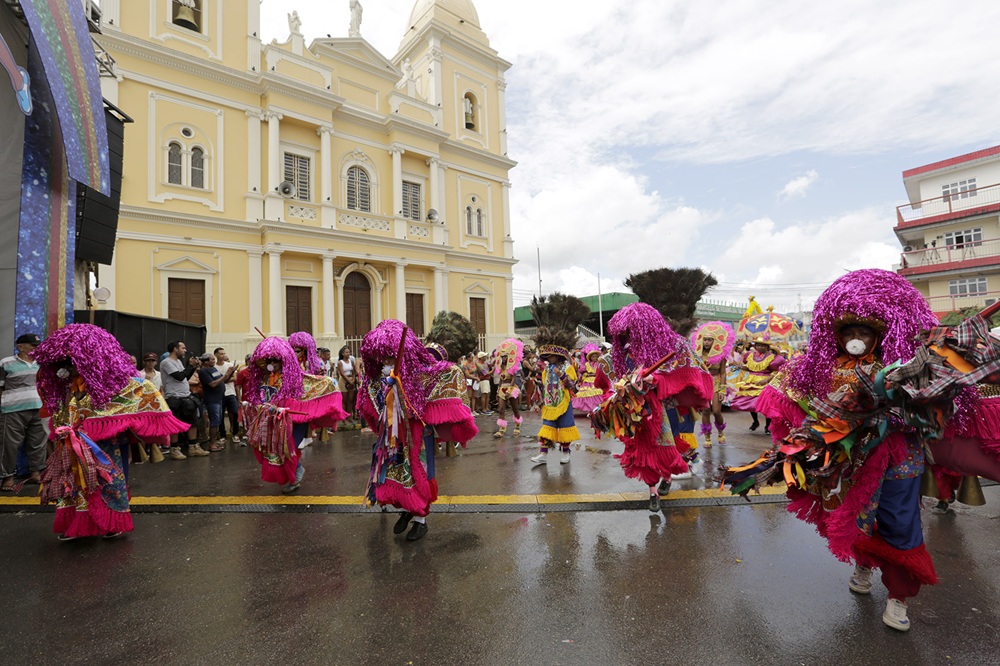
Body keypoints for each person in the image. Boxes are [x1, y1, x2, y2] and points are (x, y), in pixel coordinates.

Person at [725, 269, 947, 632]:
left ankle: (898, 596)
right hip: (845, 459)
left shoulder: (906, 369)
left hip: (898, 457)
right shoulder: (820, 368)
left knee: (900, 520)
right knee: (857, 515)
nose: (856, 339)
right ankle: (864, 563)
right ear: (838, 336)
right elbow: (788, 398)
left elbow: (933, 410)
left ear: (879, 336)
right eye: (850, 332)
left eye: (865, 332)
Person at [33, 324, 188, 540]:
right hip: (72, 447)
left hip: (103, 447)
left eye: (74, 360)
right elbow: (59, 413)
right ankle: (79, 524)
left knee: (108, 482)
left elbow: (144, 393)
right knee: (75, 485)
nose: (69, 366)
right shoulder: (66, 387)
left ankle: (111, 523)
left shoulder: (117, 385)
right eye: (66, 361)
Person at [358, 320, 477, 541]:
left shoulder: (419, 377)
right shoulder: (383, 380)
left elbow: (451, 373)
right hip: (392, 437)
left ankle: (421, 520)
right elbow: (375, 401)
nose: (385, 362)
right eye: (382, 358)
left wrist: (402, 388)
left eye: (389, 357)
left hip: (417, 435)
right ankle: (405, 509)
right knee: (395, 472)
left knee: (418, 472)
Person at [592, 303, 713, 511]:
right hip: (636, 412)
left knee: (667, 446)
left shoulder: (673, 346)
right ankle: (653, 492)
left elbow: (690, 371)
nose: (629, 336)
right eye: (625, 332)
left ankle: (666, 477)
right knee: (642, 452)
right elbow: (611, 379)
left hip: (665, 409)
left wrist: (654, 379)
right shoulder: (620, 356)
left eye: (633, 330)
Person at [242, 337, 346, 493]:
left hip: (295, 420)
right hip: (274, 421)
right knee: (273, 451)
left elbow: (319, 384)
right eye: (269, 360)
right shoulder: (265, 379)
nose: (272, 364)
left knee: (287, 448)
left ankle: (294, 476)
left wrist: (331, 383)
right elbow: (262, 397)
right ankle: (294, 472)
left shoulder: (295, 377)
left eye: (276, 360)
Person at [0, 333, 46, 490]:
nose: (36, 348)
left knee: (38, 443)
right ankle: (7, 477)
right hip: (12, 409)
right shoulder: (6, 363)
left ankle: (36, 473)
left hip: (39, 407)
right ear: (20, 346)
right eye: (33, 346)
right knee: (9, 444)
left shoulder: (42, 363)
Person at [530, 344, 579, 466]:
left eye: (551, 355)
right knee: (547, 428)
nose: (549, 358)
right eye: (548, 356)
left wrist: (561, 375)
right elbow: (544, 385)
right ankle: (543, 454)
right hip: (549, 404)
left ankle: (565, 452)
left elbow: (574, 387)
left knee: (565, 428)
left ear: (558, 355)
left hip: (563, 402)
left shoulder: (568, 367)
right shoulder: (546, 369)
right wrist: (540, 399)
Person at [690, 321, 736, 447]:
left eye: (710, 340)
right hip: (703, 382)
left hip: (716, 381)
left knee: (716, 411)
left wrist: (722, 389)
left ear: (715, 341)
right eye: (705, 339)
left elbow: (723, 372)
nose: (707, 342)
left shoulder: (721, 355)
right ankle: (707, 436)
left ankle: (720, 432)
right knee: (705, 411)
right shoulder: (697, 354)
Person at [160, 341, 208, 459]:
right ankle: (174, 449)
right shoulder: (166, 362)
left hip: (186, 396)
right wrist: (190, 365)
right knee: (176, 424)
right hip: (174, 397)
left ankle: (193, 447)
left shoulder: (178, 362)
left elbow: (185, 377)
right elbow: (179, 376)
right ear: (175, 349)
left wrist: (193, 367)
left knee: (193, 422)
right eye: (183, 348)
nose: (185, 350)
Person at [730, 335, 785, 433]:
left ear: (767, 347)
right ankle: (755, 421)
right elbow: (749, 368)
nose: (760, 347)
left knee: (767, 404)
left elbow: (777, 372)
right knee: (750, 403)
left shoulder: (773, 358)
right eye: (758, 345)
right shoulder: (750, 355)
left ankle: (768, 425)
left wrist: (767, 379)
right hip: (751, 381)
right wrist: (740, 366)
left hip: (765, 382)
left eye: (763, 345)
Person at [198, 353, 235, 452]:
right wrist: (226, 375)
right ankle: (212, 444)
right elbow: (213, 384)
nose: (214, 361)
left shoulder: (213, 369)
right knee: (214, 422)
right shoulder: (203, 371)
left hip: (219, 399)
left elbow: (224, 380)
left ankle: (214, 441)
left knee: (217, 422)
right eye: (212, 359)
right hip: (212, 400)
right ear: (205, 361)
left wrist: (231, 372)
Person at [492, 338, 524, 439]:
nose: (504, 358)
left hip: (511, 389)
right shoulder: (500, 367)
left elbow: (513, 379)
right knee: (501, 409)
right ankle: (501, 429)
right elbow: (501, 380)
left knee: (515, 408)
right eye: (502, 357)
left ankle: (517, 427)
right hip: (502, 388)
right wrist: (498, 392)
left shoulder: (512, 367)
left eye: (505, 356)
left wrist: (509, 391)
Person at [214, 347, 241, 444]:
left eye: (224, 353)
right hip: (219, 394)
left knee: (235, 413)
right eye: (221, 354)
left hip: (230, 393)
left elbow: (234, 378)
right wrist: (224, 379)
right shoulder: (214, 368)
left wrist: (222, 380)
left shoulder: (229, 365)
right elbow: (214, 381)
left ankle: (235, 433)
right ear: (216, 355)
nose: (223, 355)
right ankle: (222, 434)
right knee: (220, 415)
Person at [571, 344, 605, 414]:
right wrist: (583, 376)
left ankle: (596, 407)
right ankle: (588, 407)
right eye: (593, 357)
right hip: (588, 381)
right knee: (586, 394)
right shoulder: (587, 364)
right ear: (590, 357)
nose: (594, 358)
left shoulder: (599, 364)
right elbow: (582, 372)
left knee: (598, 393)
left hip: (597, 380)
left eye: (596, 356)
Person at [335, 345, 358, 422]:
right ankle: (343, 417)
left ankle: (349, 416)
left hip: (351, 379)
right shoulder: (340, 362)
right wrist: (349, 381)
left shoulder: (351, 361)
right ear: (342, 354)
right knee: (344, 400)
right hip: (344, 380)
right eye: (346, 352)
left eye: (349, 352)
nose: (348, 354)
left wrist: (353, 380)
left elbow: (354, 371)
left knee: (350, 399)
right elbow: (342, 373)